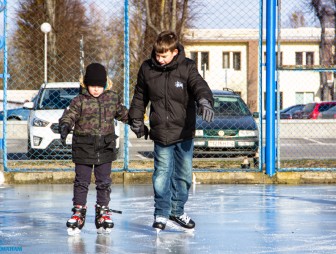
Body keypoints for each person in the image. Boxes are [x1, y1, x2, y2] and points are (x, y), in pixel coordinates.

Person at [129, 31, 214, 232]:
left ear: (175, 52)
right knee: (161, 175)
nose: (160, 59)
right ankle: (161, 213)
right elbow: (140, 96)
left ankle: (177, 211)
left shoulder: (187, 68)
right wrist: (136, 119)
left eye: (164, 56)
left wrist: (204, 101)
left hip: (184, 132)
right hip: (161, 133)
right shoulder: (147, 69)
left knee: (183, 175)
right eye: (157, 55)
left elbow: (199, 86)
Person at [59, 63, 128, 235]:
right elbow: (69, 115)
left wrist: (137, 122)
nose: (96, 90)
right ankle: (78, 211)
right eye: (92, 86)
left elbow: (124, 113)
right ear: (85, 84)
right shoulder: (79, 100)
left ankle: (103, 211)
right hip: (84, 146)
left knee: (104, 181)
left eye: (99, 86)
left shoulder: (112, 98)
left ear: (105, 84)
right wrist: (65, 126)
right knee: (81, 181)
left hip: (105, 147)